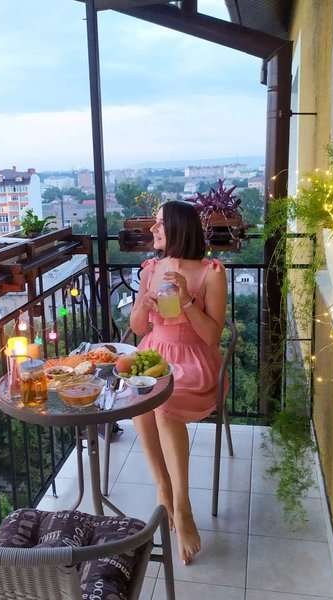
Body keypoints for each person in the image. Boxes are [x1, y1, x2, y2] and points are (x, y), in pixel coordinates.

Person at [129, 200, 228, 565]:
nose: (153, 230)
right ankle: (163, 492)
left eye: (159, 225)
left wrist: (187, 301)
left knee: (163, 403)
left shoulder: (211, 272)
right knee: (139, 395)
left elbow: (212, 337)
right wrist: (144, 302)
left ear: (177, 229)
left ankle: (181, 505)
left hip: (194, 359)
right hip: (155, 351)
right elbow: (139, 327)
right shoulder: (151, 269)